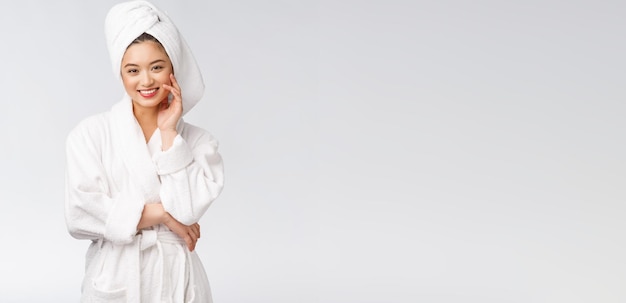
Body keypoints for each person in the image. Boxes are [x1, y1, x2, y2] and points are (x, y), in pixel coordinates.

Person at [64, 1, 224, 302]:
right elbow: (79, 215)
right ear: (120, 74)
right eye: (133, 70)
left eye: (157, 67)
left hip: (179, 280)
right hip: (117, 277)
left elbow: (188, 211)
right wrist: (163, 215)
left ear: (173, 69)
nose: (146, 81)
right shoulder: (90, 135)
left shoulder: (200, 142)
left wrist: (168, 135)